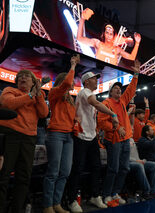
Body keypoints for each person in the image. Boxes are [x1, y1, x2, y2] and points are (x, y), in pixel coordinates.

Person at [68, 71, 119, 212]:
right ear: (86, 82)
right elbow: (95, 104)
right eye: (94, 79)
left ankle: (94, 195)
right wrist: (112, 113)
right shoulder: (84, 92)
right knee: (77, 169)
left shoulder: (90, 93)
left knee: (96, 167)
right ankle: (72, 200)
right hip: (81, 136)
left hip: (91, 137)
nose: (97, 80)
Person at [0, 70, 49, 213]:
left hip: (29, 138)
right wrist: (30, 95)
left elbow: (43, 113)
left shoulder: (38, 96)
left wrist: (38, 93)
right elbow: (8, 104)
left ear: (34, 82)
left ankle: (18, 209)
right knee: (3, 175)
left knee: (24, 177)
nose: (23, 77)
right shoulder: (10, 90)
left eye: (27, 76)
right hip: (9, 136)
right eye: (20, 76)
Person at [97, 60, 140, 206]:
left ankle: (115, 193)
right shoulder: (105, 104)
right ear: (110, 91)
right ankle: (106, 195)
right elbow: (102, 123)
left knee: (124, 168)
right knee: (113, 168)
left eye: (119, 89)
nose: (118, 90)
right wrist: (117, 128)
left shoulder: (122, 101)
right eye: (116, 88)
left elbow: (131, 90)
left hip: (125, 139)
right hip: (113, 140)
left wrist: (136, 74)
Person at [42, 55, 80, 213]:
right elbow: (65, 84)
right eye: (70, 81)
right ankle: (47, 205)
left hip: (68, 137)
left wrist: (76, 124)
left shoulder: (71, 100)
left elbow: (72, 119)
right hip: (56, 134)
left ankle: (56, 203)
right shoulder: (54, 93)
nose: (72, 85)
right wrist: (73, 66)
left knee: (65, 171)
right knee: (53, 171)